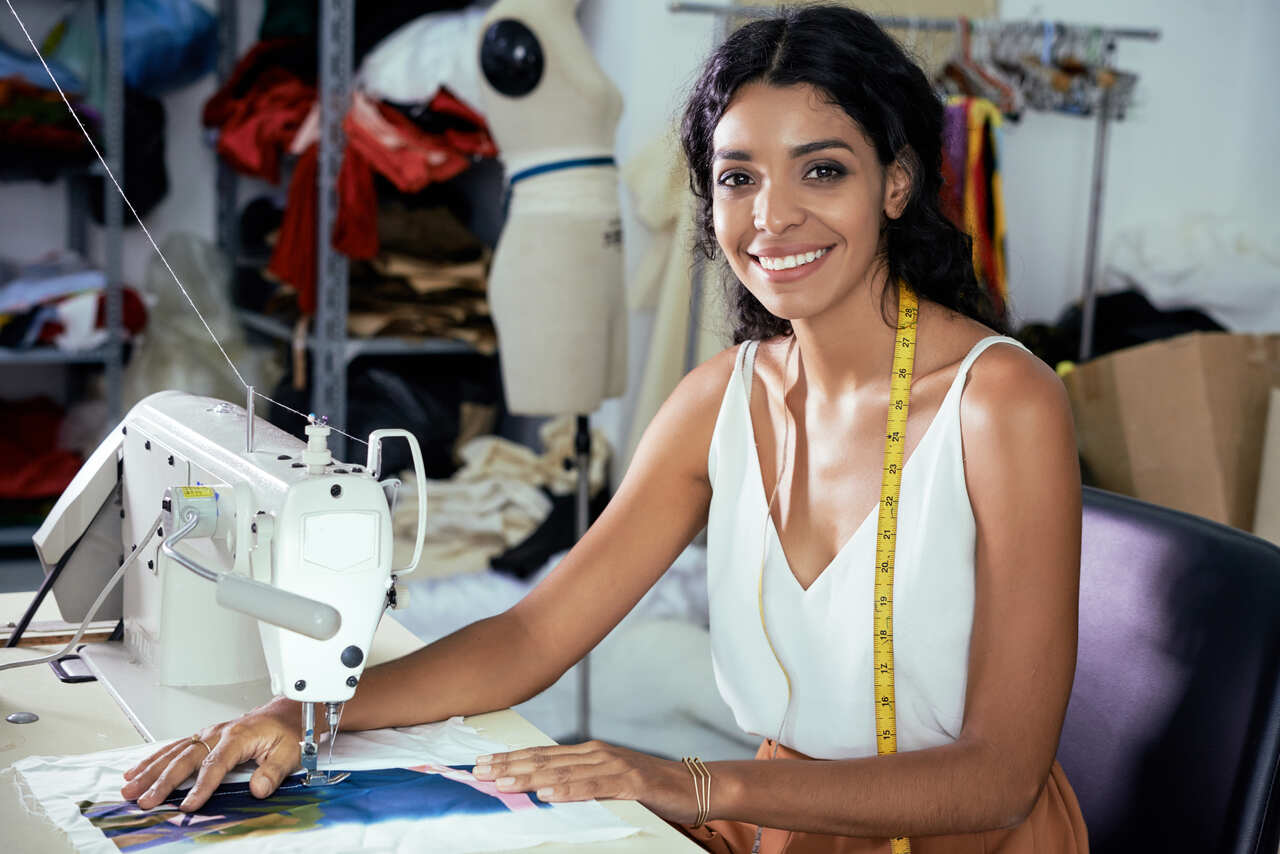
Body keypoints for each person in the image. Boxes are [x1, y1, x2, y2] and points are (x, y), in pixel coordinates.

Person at [121, 6, 1086, 852]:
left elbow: (999, 778)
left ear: (896, 184)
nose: (772, 217)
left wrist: (693, 782)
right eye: (738, 177)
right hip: (790, 826)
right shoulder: (720, 400)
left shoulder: (1001, 402)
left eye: (821, 170)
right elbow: (536, 631)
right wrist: (307, 710)